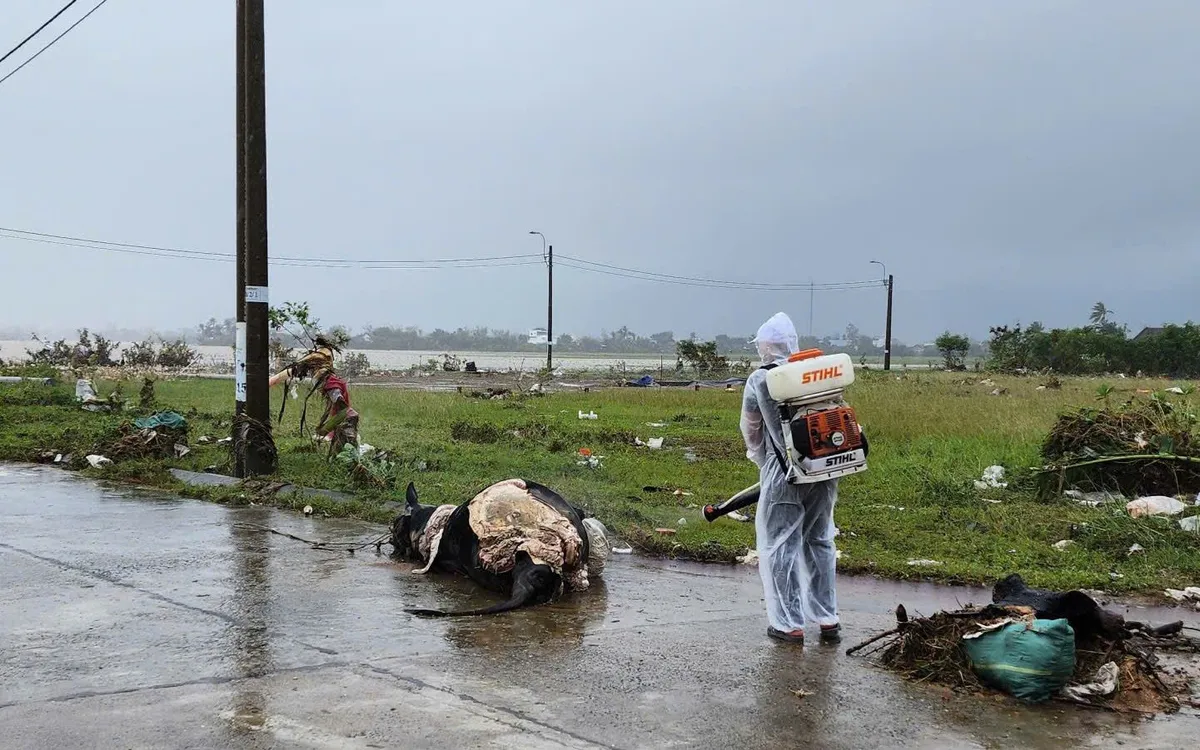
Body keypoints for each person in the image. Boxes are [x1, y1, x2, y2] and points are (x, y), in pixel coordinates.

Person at [739, 312, 841, 645]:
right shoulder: (815, 372)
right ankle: (828, 619)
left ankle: (788, 623)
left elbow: (752, 429)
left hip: (784, 472)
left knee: (779, 544)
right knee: (819, 540)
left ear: (766, 346)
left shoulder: (760, 379)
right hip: (825, 469)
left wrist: (762, 461)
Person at [268, 336, 360, 455]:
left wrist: (324, 430)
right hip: (340, 420)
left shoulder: (330, 383)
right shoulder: (322, 377)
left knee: (344, 452)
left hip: (345, 422)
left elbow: (345, 410)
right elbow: (287, 373)